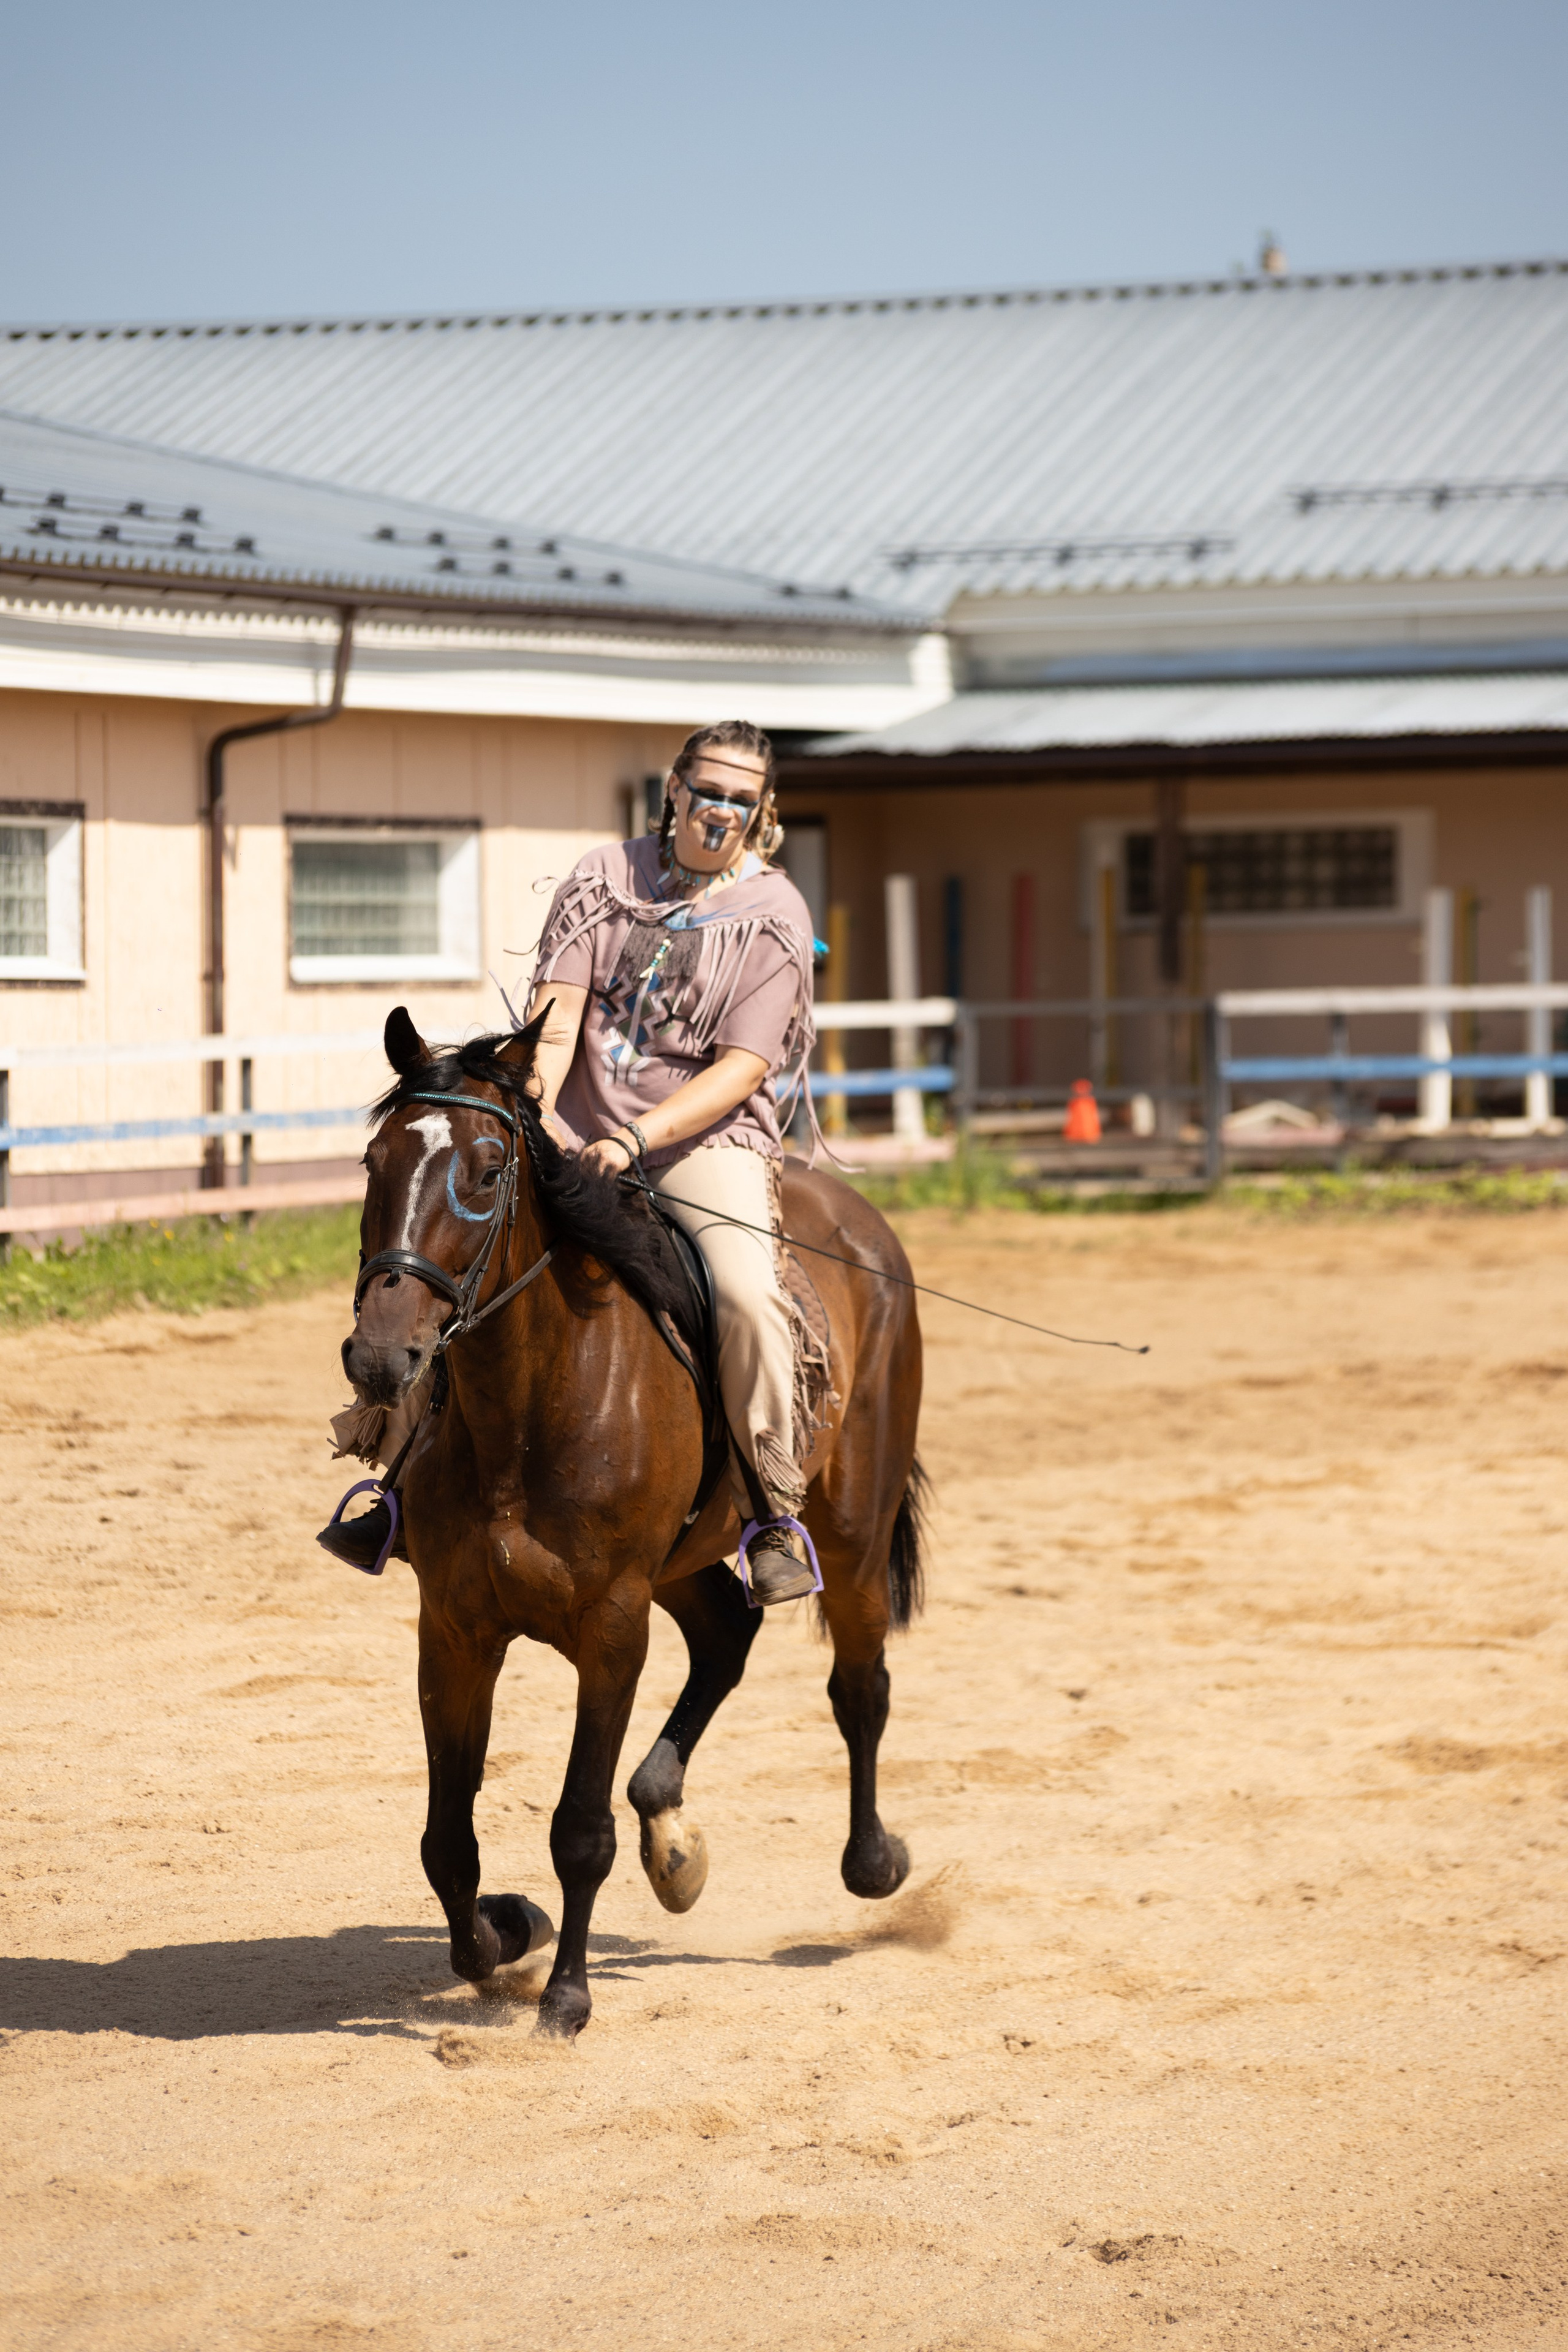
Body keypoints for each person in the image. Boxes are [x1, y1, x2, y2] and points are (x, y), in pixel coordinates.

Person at [524, 719, 825, 1604]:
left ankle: (772, 1510)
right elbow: (558, 1011)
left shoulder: (774, 911)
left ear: (761, 811)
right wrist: (537, 1107)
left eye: (743, 798)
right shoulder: (601, 879)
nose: (722, 811)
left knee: (745, 1295)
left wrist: (634, 1139)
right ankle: (391, 1473)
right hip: (573, 1127)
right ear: (674, 789)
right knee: (455, 1252)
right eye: (710, 791)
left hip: (699, 1144)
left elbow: (742, 1068)